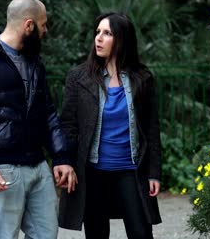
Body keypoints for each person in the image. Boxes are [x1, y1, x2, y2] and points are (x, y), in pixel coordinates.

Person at [0, 0, 77, 239]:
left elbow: (47, 112)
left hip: (38, 166)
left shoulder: (34, 63)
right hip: (3, 169)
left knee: (46, 235)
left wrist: (61, 155)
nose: (45, 31)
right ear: (28, 25)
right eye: (43, 25)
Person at [58, 12, 163, 239]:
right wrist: (65, 161)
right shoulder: (79, 77)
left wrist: (154, 173)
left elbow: (152, 130)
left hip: (131, 170)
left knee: (141, 233)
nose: (99, 38)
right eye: (97, 32)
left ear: (122, 39)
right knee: (97, 234)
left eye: (107, 33)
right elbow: (68, 125)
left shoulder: (142, 78)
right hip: (93, 172)